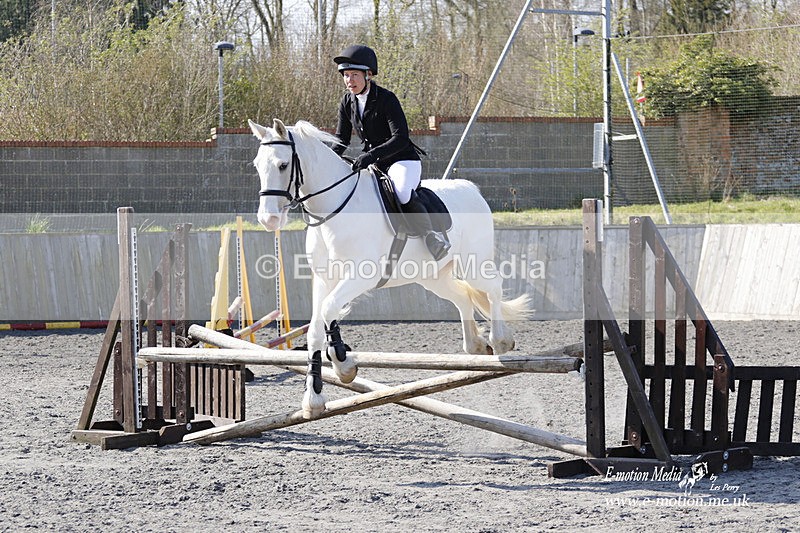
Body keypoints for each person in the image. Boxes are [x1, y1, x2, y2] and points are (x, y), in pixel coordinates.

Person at [332, 44, 451, 261]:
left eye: (354, 75)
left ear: (368, 75)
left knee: (402, 191)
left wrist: (369, 156)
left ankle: (431, 236)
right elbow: (341, 139)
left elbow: (400, 138)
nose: (350, 81)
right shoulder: (346, 101)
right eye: (346, 75)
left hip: (402, 160)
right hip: (376, 164)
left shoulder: (387, 99)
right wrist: (328, 161)